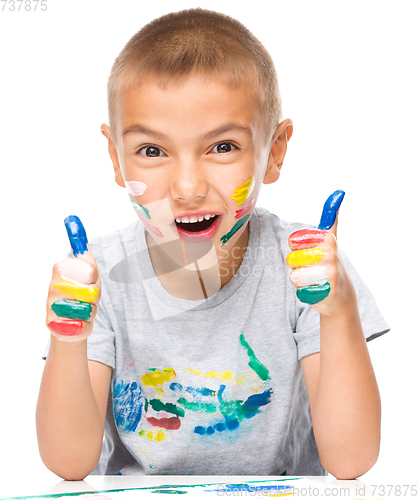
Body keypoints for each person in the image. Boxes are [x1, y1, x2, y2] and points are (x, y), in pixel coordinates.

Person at [36, 8, 389, 480]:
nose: (187, 186)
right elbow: (68, 463)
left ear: (275, 151)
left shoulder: (306, 267)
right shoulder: (98, 275)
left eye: (222, 147)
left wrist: (339, 311)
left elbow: (351, 462)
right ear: (115, 158)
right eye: (152, 151)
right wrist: (68, 343)